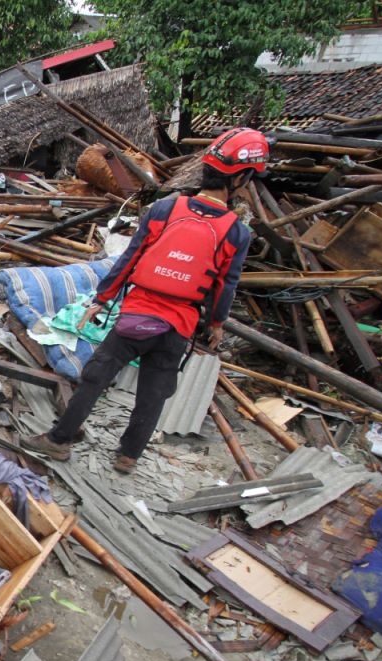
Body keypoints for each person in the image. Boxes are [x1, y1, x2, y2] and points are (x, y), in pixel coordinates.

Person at [23, 127, 268, 474]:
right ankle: (128, 456)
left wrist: (101, 298)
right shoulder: (236, 232)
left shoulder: (165, 210)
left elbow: (130, 259)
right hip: (178, 326)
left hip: (138, 316)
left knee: (96, 376)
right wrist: (215, 325)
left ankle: (58, 441)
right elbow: (225, 286)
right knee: (154, 392)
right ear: (241, 178)